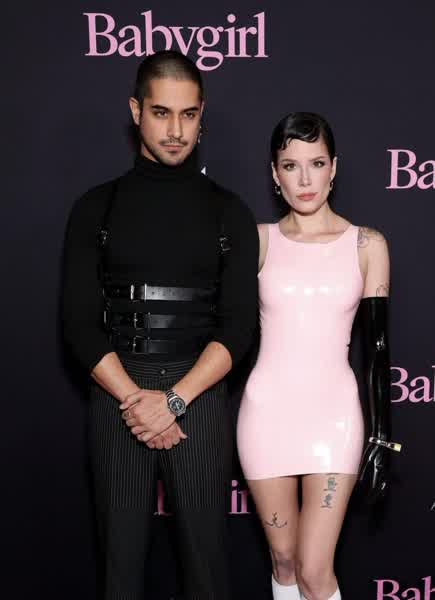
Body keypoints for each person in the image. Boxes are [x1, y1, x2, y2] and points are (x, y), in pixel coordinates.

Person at [62, 50, 258, 600]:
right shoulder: (95, 207)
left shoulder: (230, 211)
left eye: (188, 115)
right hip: (117, 394)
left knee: (207, 571)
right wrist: (137, 401)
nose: (176, 131)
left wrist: (173, 400)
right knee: (120, 571)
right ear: (136, 111)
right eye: (161, 113)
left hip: (198, 396)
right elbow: (78, 323)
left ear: (201, 116)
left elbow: (239, 327)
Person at [236, 112, 401, 600]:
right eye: (291, 166)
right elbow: (227, 329)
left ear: (334, 168)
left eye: (316, 163)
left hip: (334, 418)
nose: (305, 179)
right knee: (284, 560)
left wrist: (381, 434)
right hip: (266, 415)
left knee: (313, 569)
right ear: (275, 173)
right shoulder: (258, 241)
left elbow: (378, 349)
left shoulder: (367, 244)